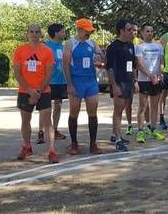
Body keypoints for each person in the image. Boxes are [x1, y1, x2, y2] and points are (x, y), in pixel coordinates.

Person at [13, 24, 59, 163]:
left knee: (47, 121)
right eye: (31, 32)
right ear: (27, 34)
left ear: (41, 34)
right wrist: (29, 90)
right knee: (25, 121)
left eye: (37, 32)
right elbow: (17, 73)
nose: (34, 34)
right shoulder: (19, 50)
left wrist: (38, 91)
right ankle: (27, 146)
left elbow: (49, 73)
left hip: (43, 91)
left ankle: (51, 151)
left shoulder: (47, 51)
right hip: (24, 91)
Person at [63, 18, 103, 155]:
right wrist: (69, 84)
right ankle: (74, 143)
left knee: (93, 113)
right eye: (87, 31)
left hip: (91, 82)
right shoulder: (69, 44)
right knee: (74, 112)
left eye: (90, 31)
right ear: (79, 29)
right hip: (76, 82)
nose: (89, 34)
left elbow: (102, 56)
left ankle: (93, 143)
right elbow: (65, 65)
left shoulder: (92, 43)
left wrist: (100, 57)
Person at [106, 20, 138, 152]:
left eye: (132, 29)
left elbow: (133, 64)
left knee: (123, 108)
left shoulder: (131, 45)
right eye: (129, 29)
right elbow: (109, 68)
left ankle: (115, 134)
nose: (132, 32)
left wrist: (135, 80)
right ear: (122, 31)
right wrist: (114, 85)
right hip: (119, 82)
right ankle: (118, 140)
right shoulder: (113, 47)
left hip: (129, 81)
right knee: (118, 111)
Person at [36, 23, 67, 144]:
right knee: (44, 107)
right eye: (62, 32)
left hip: (61, 81)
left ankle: (54, 130)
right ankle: (41, 132)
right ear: (56, 33)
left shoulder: (63, 47)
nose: (64, 34)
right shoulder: (45, 47)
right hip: (48, 82)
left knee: (58, 106)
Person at [135, 23, 166, 143]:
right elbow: (140, 65)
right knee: (143, 106)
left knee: (154, 106)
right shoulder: (139, 47)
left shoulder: (159, 46)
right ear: (142, 33)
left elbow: (162, 62)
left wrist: (160, 73)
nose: (150, 33)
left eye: (152, 31)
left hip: (157, 80)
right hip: (144, 80)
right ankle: (140, 131)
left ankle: (153, 129)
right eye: (147, 31)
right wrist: (150, 76)